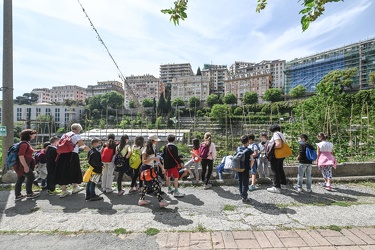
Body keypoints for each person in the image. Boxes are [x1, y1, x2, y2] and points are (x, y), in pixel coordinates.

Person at [55, 123, 89, 198]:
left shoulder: (65, 135)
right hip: (72, 155)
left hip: (63, 155)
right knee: (74, 170)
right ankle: (75, 187)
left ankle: (64, 190)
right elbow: (82, 145)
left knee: (64, 171)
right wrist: (89, 150)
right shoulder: (76, 135)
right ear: (78, 129)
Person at [138, 134, 170, 208]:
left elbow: (156, 160)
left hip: (150, 168)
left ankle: (142, 200)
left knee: (146, 185)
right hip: (147, 168)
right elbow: (144, 161)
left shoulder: (153, 148)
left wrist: (161, 167)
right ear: (153, 141)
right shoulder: (146, 149)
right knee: (155, 184)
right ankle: (161, 201)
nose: (157, 142)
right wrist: (153, 159)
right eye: (156, 141)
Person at [14, 129, 40, 200]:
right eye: (33, 134)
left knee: (20, 178)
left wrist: (38, 151)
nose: (34, 135)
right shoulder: (24, 144)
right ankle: (29, 193)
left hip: (20, 165)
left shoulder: (24, 143)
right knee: (31, 177)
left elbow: (28, 152)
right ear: (29, 135)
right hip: (22, 165)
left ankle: (18, 195)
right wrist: (25, 166)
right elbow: (21, 156)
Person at [267, 124, 287, 193]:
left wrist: (269, 145)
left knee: (275, 171)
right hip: (281, 154)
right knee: (280, 169)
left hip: (276, 155)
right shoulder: (282, 134)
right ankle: (283, 184)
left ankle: (276, 187)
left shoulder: (275, 134)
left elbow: (278, 144)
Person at [237, 135, 253, 203]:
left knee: (240, 181)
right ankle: (244, 197)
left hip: (239, 167)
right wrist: (250, 167)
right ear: (248, 141)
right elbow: (252, 160)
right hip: (245, 168)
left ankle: (241, 194)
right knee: (245, 182)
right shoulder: (249, 150)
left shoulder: (238, 148)